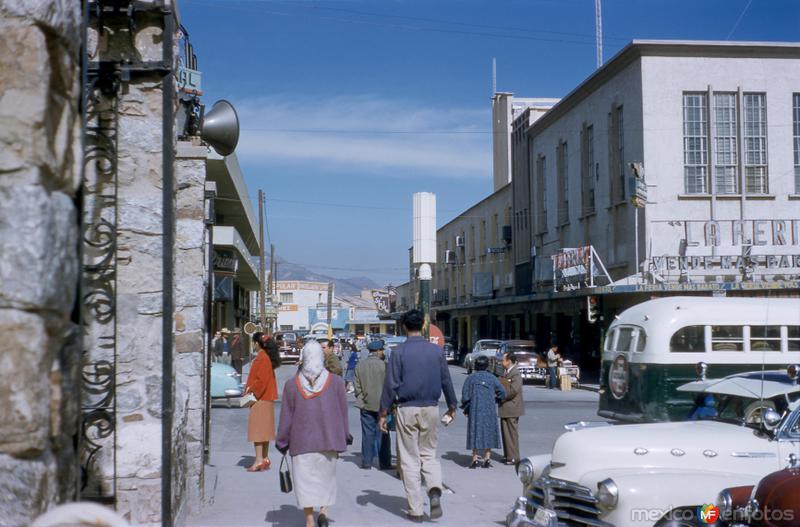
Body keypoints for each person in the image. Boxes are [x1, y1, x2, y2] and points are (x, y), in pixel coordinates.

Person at [379, 309, 458, 523]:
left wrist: (383, 412)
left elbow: (390, 385)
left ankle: (415, 509)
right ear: (423, 326)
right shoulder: (436, 351)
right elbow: (446, 380)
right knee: (429, 455)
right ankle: (433, 487)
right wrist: (452, 406)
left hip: (406, 408)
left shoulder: (398, 352)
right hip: (431, 408)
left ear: (404, 327)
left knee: (409, 459)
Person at [276, 341, 349, 527]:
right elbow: (343, 413)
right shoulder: (337, 383)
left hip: (301, 443)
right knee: (326, 479)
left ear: (304, 358)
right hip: (330, 440)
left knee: (304, 483)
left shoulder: (292, 386)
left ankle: (309, 520)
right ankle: (323, 511)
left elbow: (286, 416)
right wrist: (344, 435)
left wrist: (282, 441)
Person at [460, 355, 505, 469]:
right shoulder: (492, 378)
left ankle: (474, 458)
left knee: (475, 431)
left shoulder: (471, 378)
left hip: (475, 408)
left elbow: (465, 396)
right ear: (487, 365)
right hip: (489, 408)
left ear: (476, 365)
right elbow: (502, 392)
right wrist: (495, 400)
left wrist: (466, 407)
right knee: (488, 431)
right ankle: (487, 457)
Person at [353, 339, 392, 470]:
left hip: (365, 404)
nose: (383, 352)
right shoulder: (385, 366)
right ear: (378, 351)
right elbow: (390, 386)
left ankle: (366, 462)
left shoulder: (360, 365)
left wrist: (362, 397)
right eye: (382, 350)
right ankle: (385, 462)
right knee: (384, 434)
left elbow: (357, 386)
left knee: (367, 434)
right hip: (383, 406)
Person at [244, 332, 280, 472]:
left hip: (260, 398)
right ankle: (264, 458)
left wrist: (250, 389)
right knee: (264, 431)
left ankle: (259, 460)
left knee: (257, 431)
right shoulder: (267, 357)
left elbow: (260, 381)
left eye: (254, 342)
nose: (253, 345)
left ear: (257, 343)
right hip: (266, 398)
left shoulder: (262, 358)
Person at [498, 351, 524, 465]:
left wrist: (501, 396)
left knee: (511, 433)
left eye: (503, 360)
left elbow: (513, 390)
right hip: (505, 407)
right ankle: (508, 455)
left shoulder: (515, 373)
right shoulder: (506, 371)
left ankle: (514, 457)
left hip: (512, 406)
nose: (501, 362)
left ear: (509, 361)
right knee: (505, 432)